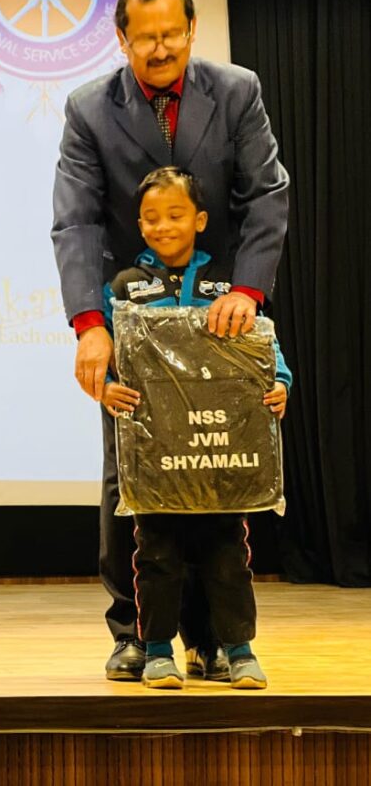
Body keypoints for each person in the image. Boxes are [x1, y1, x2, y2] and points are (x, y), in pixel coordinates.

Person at [50, 0, 290, 681]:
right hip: (134, 319)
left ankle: (211, 639)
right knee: (129, 477)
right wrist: (90, 324)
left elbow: (266, 195)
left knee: (213, 480)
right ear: (121, 38)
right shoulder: (88, 109)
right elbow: (77, 221)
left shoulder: (238, 90)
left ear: (191, 29)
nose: (160, 49)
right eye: (145, 37)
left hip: (219, 313)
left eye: (171, 34)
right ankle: (134, 633)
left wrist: (247, 290)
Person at [100, 166, 290, 690]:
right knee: (157, 554)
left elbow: (262, 344)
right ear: (139, 225)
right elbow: (109, 355)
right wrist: (107, 387)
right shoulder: (124, 286)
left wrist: (280, 382)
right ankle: (158, 652)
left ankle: (238, 651)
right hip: (155, 456)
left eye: (175, 214)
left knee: (227, 553)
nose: (163, 226)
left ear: (200, 220)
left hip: (219, 451)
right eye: (151, 218)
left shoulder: (228, 284)